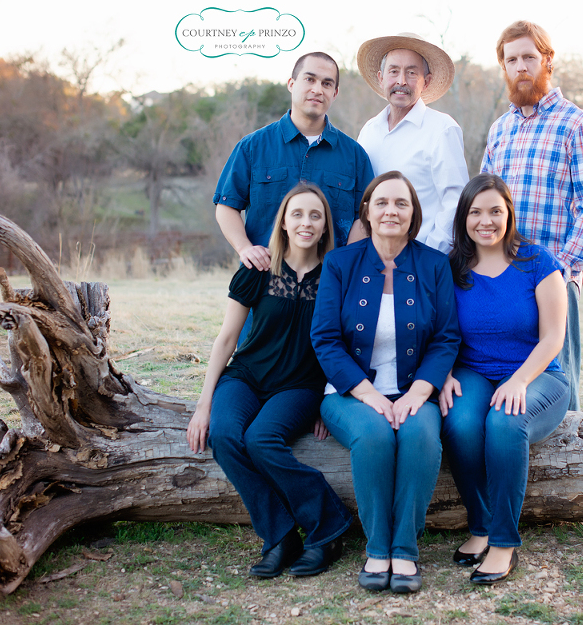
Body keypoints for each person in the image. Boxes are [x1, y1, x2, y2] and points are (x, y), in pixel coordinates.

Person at [187, 183, 352, 579]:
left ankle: (327, 527)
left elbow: (343, 343)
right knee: (225, 435)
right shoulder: (257, 268)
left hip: (299, 385)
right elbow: (227, 338)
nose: (306, 223)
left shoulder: (337, 275)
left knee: (261, 440)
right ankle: (279, 536)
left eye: (315, 215)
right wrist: (203, 403)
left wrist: (329, 400)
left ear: (326, 225)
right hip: (246, 377)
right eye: (297, 214)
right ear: (283, 221)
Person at [311, 171, 460, 593]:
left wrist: (419, 390)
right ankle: (377, 549)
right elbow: (324, 337)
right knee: (374, 436)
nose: (391, 211)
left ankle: (404, 550)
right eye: (382, 203)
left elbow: (447, 335)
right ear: (367, 211)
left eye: (401, 204)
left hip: (416, 388)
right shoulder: (341, 263)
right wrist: (367, 393)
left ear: (413, 214)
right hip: (348, 392)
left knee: (422, 438)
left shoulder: (433, 265)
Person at [440, 173, 570, 585]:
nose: (486, 220)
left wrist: (519, 380)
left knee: (504, 422)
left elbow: (553, 336)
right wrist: (442, 373)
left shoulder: (538, 261)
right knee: (459, 423)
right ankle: (480, 526)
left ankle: (503, 543)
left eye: (496, 211)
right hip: (474, 371)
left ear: (509, 213)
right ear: (463, 218)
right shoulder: (452, 268)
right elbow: (438, 330)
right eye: (476, 212)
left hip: (539, 374)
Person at [481, 20, 583, 411]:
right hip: (503, 277)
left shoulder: (576, 124)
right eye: (511, 59)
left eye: (529, 58)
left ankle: (571, 465)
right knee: (509, 385)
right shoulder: (500, 130)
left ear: (547, 61)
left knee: (558, 385)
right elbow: (484, 204)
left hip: (553, 278)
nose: (520, 67)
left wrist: (560, 272)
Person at [214, 51, 374, 272]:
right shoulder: (253, 147)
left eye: (327, 84)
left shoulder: (354, 156)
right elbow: (226, 206)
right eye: (310, 79)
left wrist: (345, 265)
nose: (317, 90)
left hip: (326, 286)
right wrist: (245, 248)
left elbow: (365, 217)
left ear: (335, 93)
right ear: (291, 83)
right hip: (263, 281)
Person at [356, 33, 469, 253]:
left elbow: (455, 202)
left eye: (411, 72)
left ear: (425, 82)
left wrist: (430, 256)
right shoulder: (369, 131)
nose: (401, 81)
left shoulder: (442, 129)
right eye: (394, 71)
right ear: (381, 78)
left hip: (421, 260)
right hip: (372, 261)